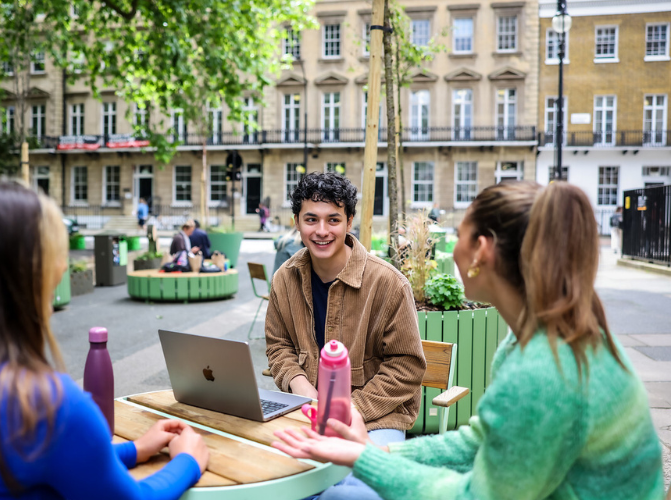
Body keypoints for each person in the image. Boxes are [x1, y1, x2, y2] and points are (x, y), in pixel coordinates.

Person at [273, 181, 664, 500]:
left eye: (458, 234)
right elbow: (479, 441)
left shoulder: (544, 371)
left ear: (480, 251)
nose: (450, 246)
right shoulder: (538, 336)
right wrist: (377, 452)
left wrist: (365, 458)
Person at [0, 181, 209, 500]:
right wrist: (188, 461)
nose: (62, 268)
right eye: (51, 259)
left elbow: (37, 463)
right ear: (17, 280)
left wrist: (134, 450)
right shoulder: (49, 409)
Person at [266, 172, 426, 461]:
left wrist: (350, 410)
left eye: (334, 220)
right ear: (297, 222)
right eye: (311, 219)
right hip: (306, 411)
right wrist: (301, 384)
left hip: (376, 418)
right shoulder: (284, 279)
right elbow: (278, 346)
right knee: (270, 472)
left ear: (349, 222)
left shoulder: (389, 283)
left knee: (354, 490)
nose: (322, 230)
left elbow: (406, 367)